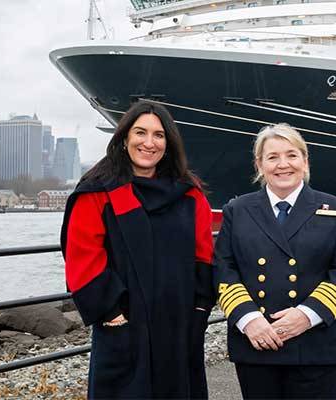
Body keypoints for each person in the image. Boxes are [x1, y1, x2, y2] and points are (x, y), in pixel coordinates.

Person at [60, 101, 215, 399]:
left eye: (158, 135)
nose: (149, 142)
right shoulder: (98, 191)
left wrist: (199, 311)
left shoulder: (189, 193)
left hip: (179, 328)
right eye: (140, 132)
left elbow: (204, 255)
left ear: (168, 143)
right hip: (125, 327)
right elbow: (82, 258)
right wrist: (112, 317)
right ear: (124, 138)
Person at [213, 123, 336, 399]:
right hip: (257, 342)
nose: (283, 165)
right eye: (272, 157)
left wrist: (306, 316)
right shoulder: (237, 210)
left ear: (305, 161)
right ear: (259, 165)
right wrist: (249, 320)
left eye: (292, 155)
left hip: (316, 344)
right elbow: (224, 269)